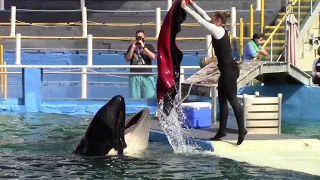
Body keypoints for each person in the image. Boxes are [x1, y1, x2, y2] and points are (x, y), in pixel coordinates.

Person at [181, 0, 247, 145]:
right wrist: (192, 4)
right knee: (222, 100)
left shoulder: (218, 30)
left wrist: (186, 9)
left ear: (218, 20)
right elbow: (204, 15)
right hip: (226, 70)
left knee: (232, 99)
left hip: (229, 70)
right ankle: (221, 130)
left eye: (213, 18)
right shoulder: (221, 28)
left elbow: (200, 20)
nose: (210, 20)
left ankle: (242, 129)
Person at [124, 30, 156, 99]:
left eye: (141, 37)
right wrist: (132, 49)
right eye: (137, 37)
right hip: (134, 76)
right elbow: (127, 59)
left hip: (147, 76)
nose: (139, 39)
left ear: (144, 37)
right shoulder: (132, 47)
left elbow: (153, 57)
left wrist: (143, 47)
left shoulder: (149, 46)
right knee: (134, 98)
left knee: (149, 97)